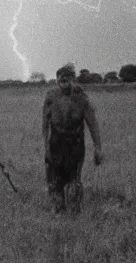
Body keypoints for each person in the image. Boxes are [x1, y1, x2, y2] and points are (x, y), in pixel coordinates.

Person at [42, 63, 103, 213]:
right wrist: (46, 148)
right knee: (55, 181)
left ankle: (75, 212)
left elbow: (92, 124)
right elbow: (45, 125)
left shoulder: (81, 99)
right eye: (62, 80)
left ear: (73, 80)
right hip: (56, 142)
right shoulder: (50, 98)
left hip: (75, 143)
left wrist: (98, 148)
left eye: (68, 80)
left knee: (74, 180)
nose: (65, 83)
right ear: (57, 80)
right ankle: (59, 211)